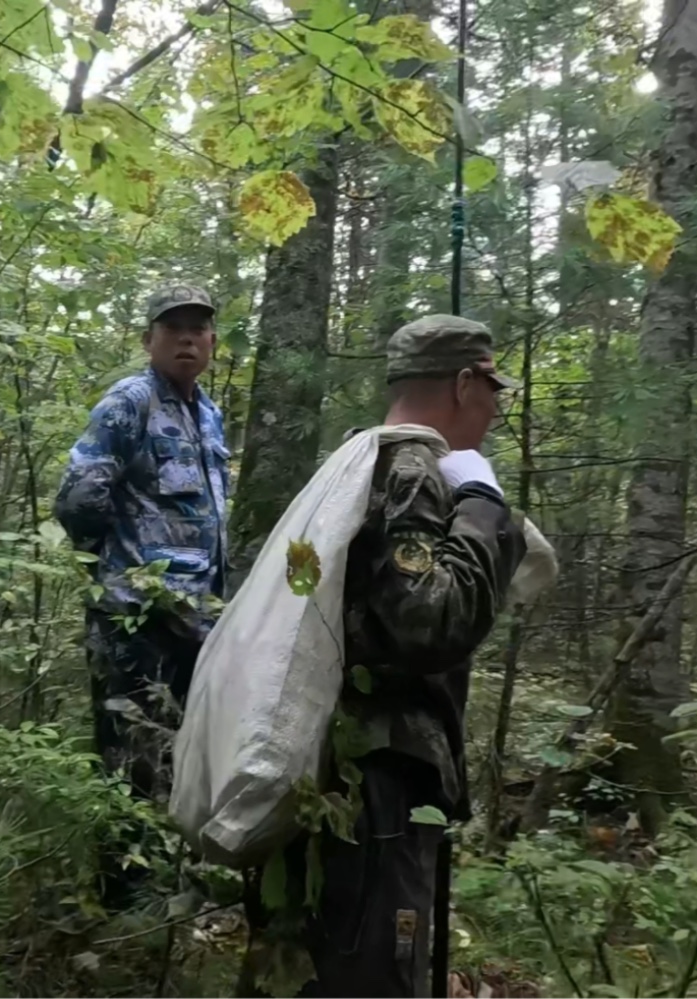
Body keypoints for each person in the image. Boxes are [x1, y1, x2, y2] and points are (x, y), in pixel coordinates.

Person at [260, 315, 526, 997]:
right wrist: (481, 503)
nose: (495, 408)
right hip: (377, 775)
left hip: (336, 761)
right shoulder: (411, 470)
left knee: (319, 956)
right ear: (464, 382)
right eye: (491, 388)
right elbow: (429, 620)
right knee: (374, 971)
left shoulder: (353, 459)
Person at [53, 283, 229, 908]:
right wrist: (121, 571)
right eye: (174, 327)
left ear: (212, 340)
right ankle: (125, 903)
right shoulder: (128, 403)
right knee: (129, 760)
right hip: (136, 619)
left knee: (180, 754)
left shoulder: (207, 414)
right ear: (149, 338)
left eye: (199, 328)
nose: (188, 338)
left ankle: (167, 880)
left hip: (199, 622)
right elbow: (78, 499)